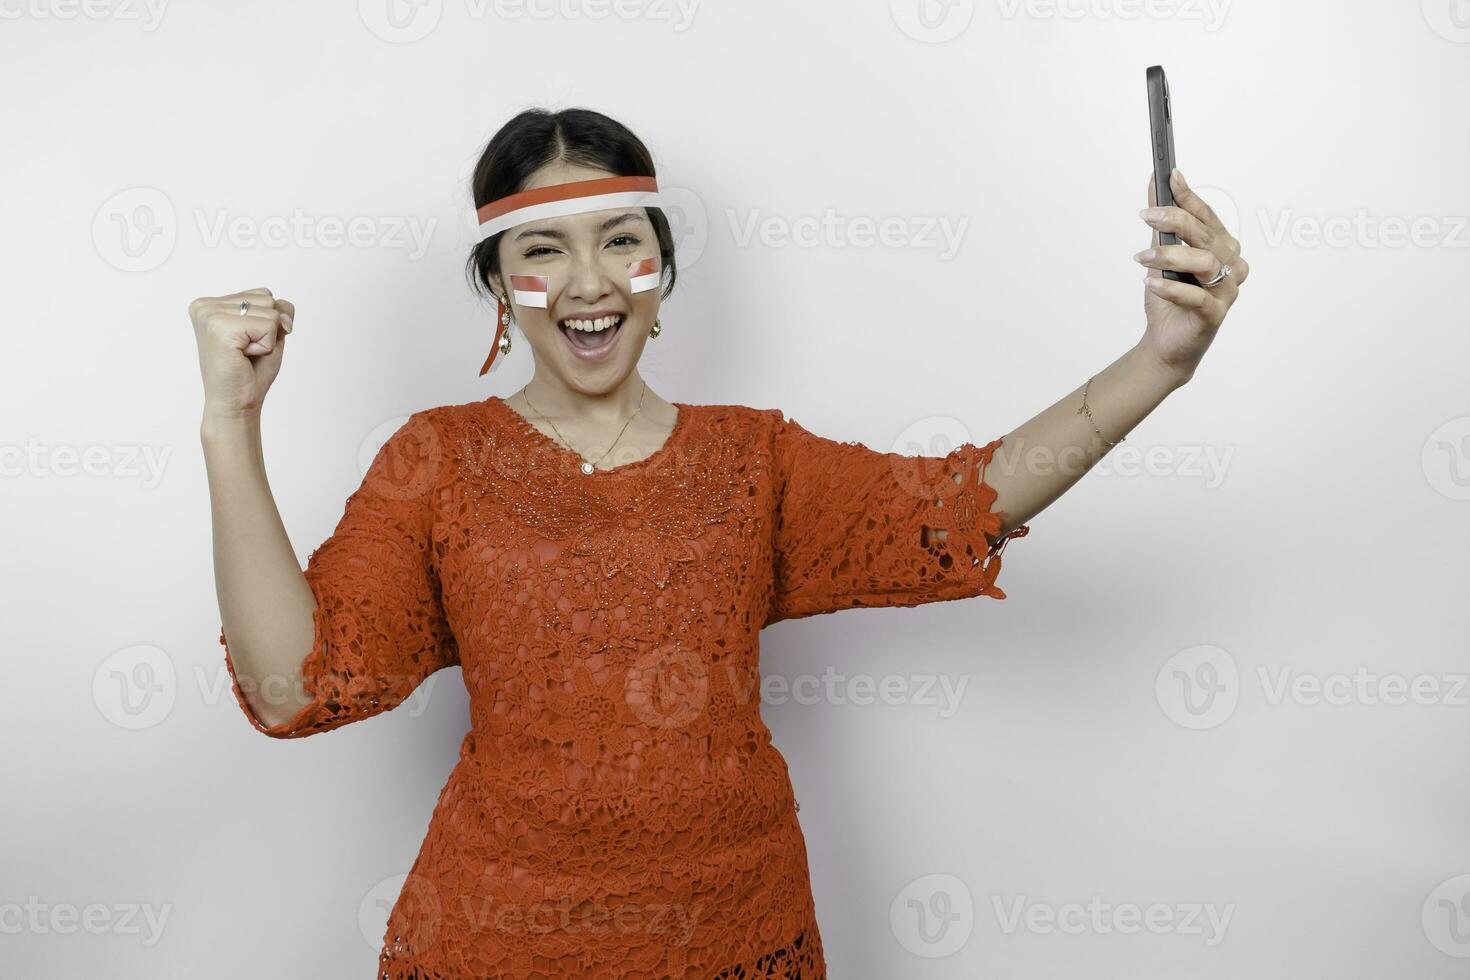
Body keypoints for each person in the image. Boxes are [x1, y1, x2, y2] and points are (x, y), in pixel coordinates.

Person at [195, 106, 1247, 978]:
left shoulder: (754, 461)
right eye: (544, 249)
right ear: (497, 285)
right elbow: (296, 687)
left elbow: (958, 505)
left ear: (662, 269)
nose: (589, 278)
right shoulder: (438, 460)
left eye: (620, 239)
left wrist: (1162, 360)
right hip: (495, 939)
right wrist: (232, 423)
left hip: (735, 933)